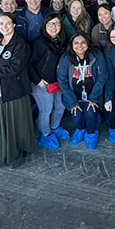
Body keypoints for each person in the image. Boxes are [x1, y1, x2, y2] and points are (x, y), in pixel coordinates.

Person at [0, 12, 36, 169]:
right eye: (1, 24)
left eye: (7, 23)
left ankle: (22, 151)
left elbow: (14, 67)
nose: (4, 26)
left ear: (13, 24)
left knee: (18, 123)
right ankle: (7, 152)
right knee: (1, 125)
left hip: (14, 90)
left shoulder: (20, 43)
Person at [57, 32, 109, 149]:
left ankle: (91, 133)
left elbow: (103, 76)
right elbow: (62, 81)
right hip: (74, 97)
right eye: (76, 43)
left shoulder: (96, 55)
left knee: (90, 114)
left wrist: (93, 98)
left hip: (92, 96)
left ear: (88, 44)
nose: (79, 46)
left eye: (83, 42)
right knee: (77, 117)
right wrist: (73, 102)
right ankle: (80, 130)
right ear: (71, 45)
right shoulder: (66, 58)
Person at [28, 13, 70, 150]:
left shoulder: (63, 40)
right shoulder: (39, 42)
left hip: (59, 82)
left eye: (56, 23)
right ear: (44, 26)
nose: (53, 26)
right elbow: (29, 64)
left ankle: (55, 127)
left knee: (60, 106)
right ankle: (45, 135)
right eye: (50, 23)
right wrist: (37, 80)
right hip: (43, 83)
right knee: (46, 110)